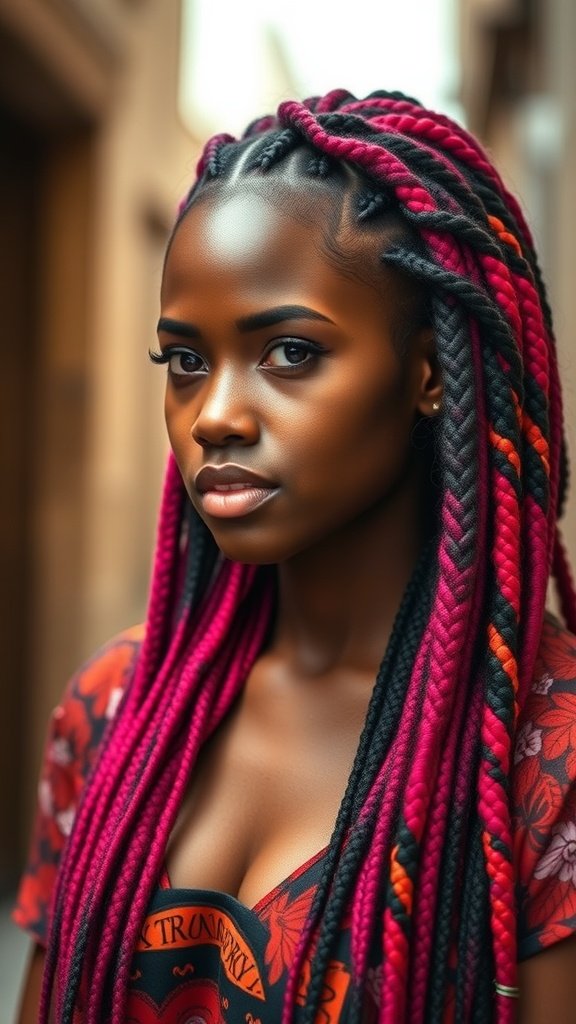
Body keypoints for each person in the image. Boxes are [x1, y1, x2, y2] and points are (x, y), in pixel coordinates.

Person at [13, 89, 576, 1024]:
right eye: (185, 361)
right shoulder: (114, 703)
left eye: (288, 351)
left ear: (430, 372)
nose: (217, 415)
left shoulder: (540, 754)